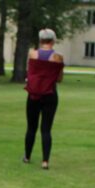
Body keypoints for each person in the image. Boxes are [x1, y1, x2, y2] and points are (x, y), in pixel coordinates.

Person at [23, 28, 64, 170]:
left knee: (31, 127)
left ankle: (27, 156)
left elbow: (30, 73)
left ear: (40, 40)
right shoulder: (57, 57)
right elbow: (59, 79)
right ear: (53, 40)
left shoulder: (32, 54)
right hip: (50, 95)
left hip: (33, 95)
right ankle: (45, 161)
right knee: (46, 129)